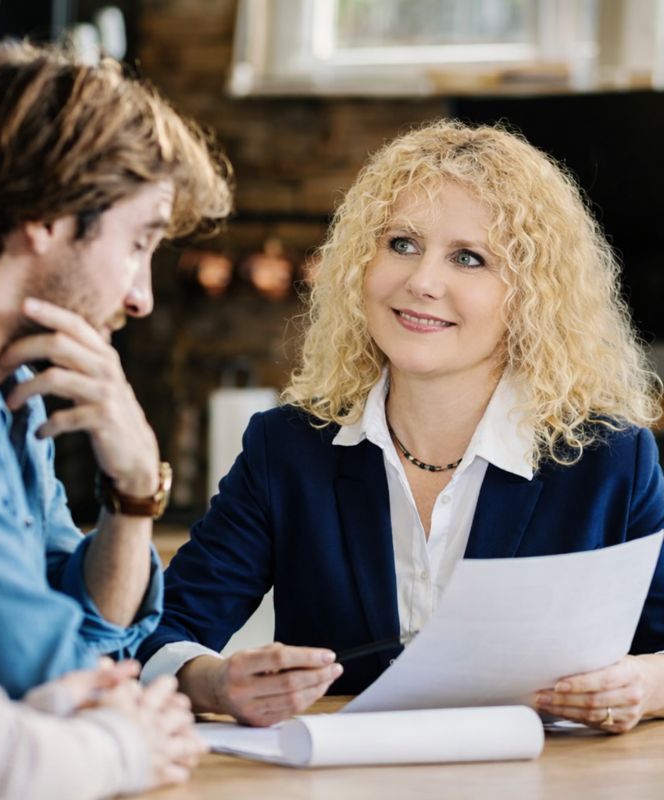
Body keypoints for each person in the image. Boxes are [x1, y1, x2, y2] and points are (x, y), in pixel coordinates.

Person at [137, 119, 664, 733]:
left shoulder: (609, 459)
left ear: (531, 296)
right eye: (402, 244)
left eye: (469, 258)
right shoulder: (285, 449)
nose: (422, 281)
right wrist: (217, 683)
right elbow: (160, 631)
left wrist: (647, 686)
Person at [0, 40, 205, 799]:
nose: (143, 296)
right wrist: (123, 712)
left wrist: (135, 487)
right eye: (139, 241)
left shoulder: (15, 382)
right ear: (47, 219)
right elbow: (40, 675)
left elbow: (87, 647)